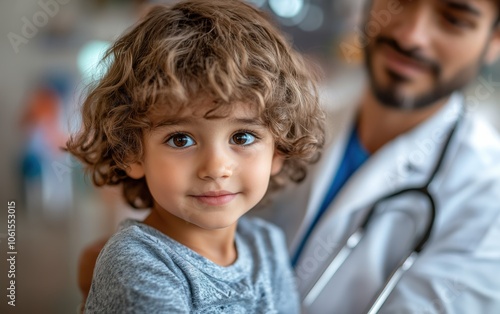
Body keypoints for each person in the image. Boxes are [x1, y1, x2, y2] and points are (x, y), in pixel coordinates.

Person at [66, 0, 324, 313]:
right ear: (130, 152)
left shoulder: (266, 245)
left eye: (242, 137)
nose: (216, 167)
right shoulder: (137, 263)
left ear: (278, 151)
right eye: (181, 139)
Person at [260, 0, 500, 313]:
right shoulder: (284, 118)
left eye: (453, 19)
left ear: (494, 40)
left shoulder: (487, 201)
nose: (410, 36)